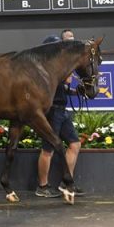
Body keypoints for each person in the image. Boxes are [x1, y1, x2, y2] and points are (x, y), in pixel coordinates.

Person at [36, 30, 85, 198]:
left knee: (75, 144)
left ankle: (66, 182)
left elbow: (63, 89)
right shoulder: (45, 68)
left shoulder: (58, 67)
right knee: (47, 150)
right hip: (52, 111)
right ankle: (42, 187)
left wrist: (74, 90)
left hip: (62, 110)